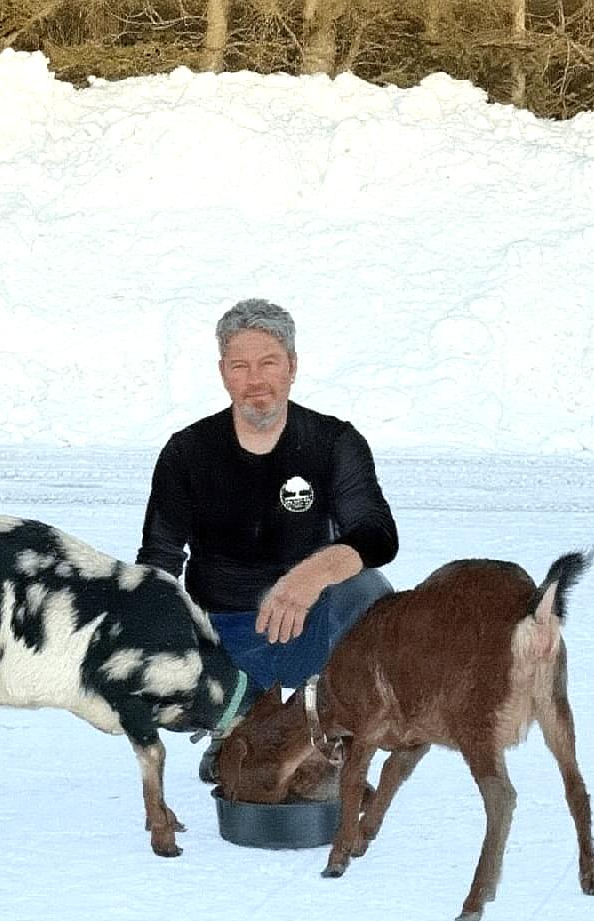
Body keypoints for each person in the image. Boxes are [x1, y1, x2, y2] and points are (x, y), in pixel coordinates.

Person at [136, 298, 399, 782]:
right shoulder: (187, 452)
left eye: (269, 363)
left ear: (292, 367)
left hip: (311, 627)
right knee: (150, 622)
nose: (255, 379)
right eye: (240, 366)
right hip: (225, 638)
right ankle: (233, 722)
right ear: (223, 373)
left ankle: (335, 727)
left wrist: (310, 577)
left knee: (369, 591)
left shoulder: (333, 441)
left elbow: (377, 533)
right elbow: (160, 556)